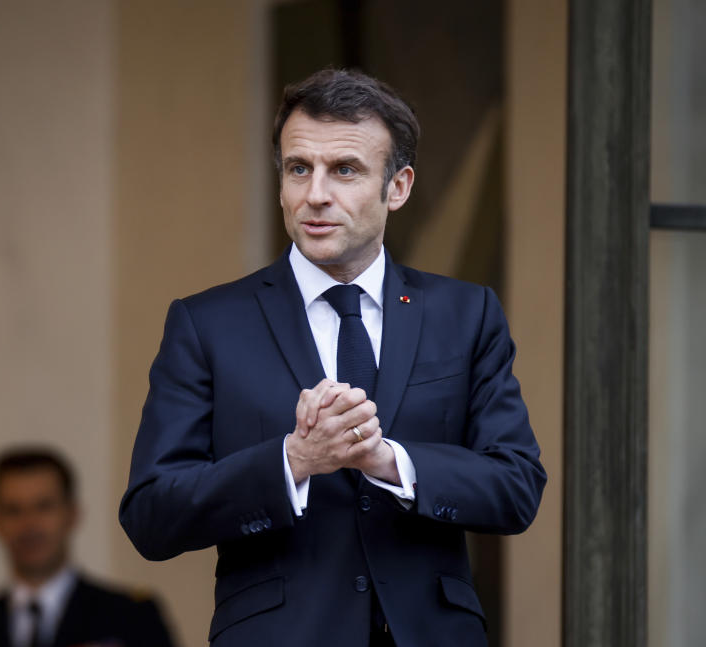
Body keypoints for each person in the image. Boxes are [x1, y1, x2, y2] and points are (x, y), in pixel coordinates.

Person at [119, 69, 546, 647]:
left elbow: (517, 486)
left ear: (398, 187)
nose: (315, 194)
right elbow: (152, 515)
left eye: (344, 170)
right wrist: (292, 461)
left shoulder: (466, 313)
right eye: (299, 168)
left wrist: (390, 461)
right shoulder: (207, 324)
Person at [0, 447, 176, 647]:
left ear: (72, 514)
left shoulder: (132, 617)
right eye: (13, 510)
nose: (29, 524)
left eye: (44, 506)